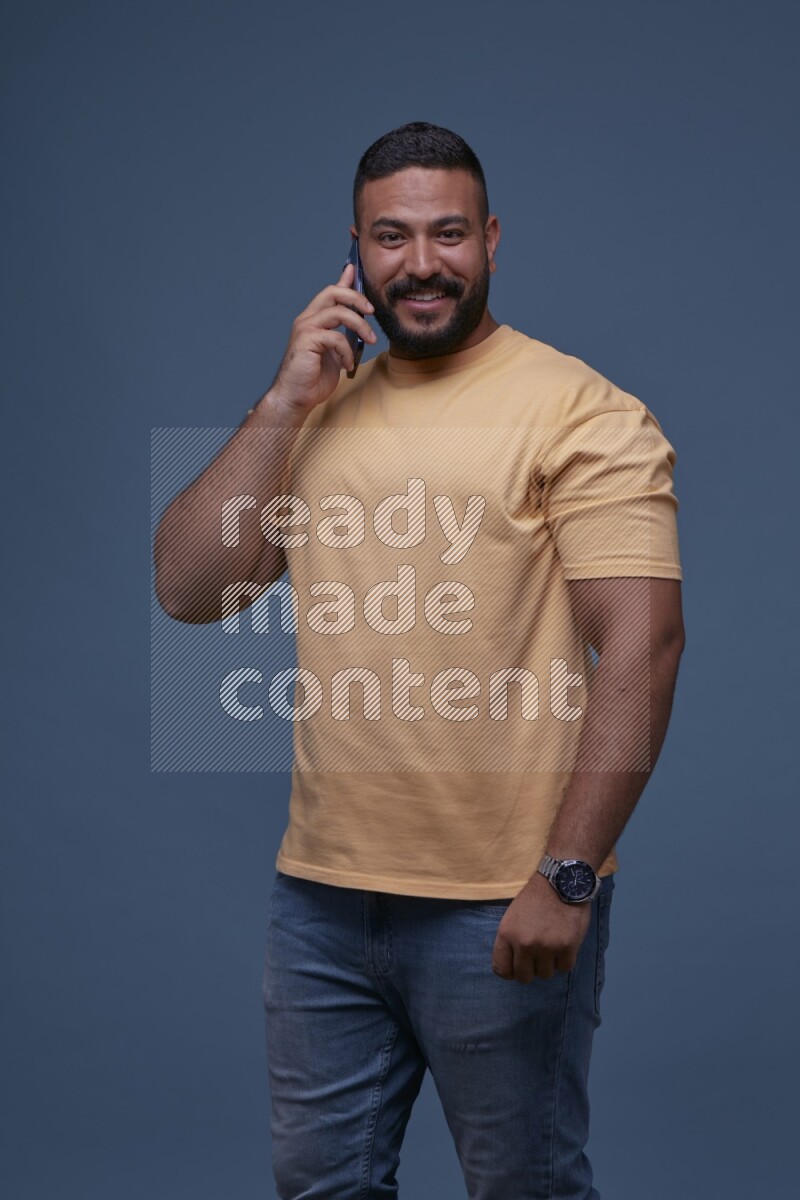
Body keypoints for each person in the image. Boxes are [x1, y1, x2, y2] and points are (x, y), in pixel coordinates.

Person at [154, 122, 685, 1199]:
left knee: (525, 1188)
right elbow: (191, 590)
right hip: (320, 901)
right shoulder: (317, 409)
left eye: (448, 233)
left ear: (490, 239)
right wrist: (281, 401)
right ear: (354, 250)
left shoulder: (579, 411)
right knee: (321, 1188)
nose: (422, 262)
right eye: (391, 236)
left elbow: (643, 641)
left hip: (500, 898)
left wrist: (568, 874)